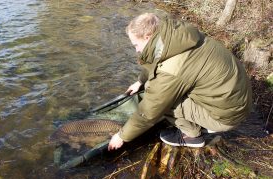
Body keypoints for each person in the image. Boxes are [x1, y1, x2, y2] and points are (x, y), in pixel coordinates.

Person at [108, 12, 252, 150]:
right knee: (159, 87)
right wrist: (140, 81)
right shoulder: (177, 36)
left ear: (147, 37)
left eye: (135, 45)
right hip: (238, 99)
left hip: (227, 116)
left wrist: (122, 136)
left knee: (161, 99)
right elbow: (157, 60)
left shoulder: (173, 67)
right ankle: (198, 120)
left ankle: (191, 136)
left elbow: (151, 109)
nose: (137, 50)